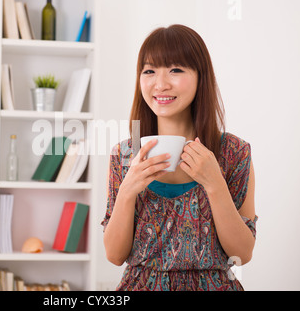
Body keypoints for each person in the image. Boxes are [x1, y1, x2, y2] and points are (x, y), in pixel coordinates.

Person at [101, 24, 257, 291]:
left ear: (200, 76)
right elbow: (115, 256)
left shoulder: (235, 152)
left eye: (175, 70)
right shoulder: (124, 155)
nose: (160, 84)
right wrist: (127, 190)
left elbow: (241, 255)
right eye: (149, 71)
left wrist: (214, 184)